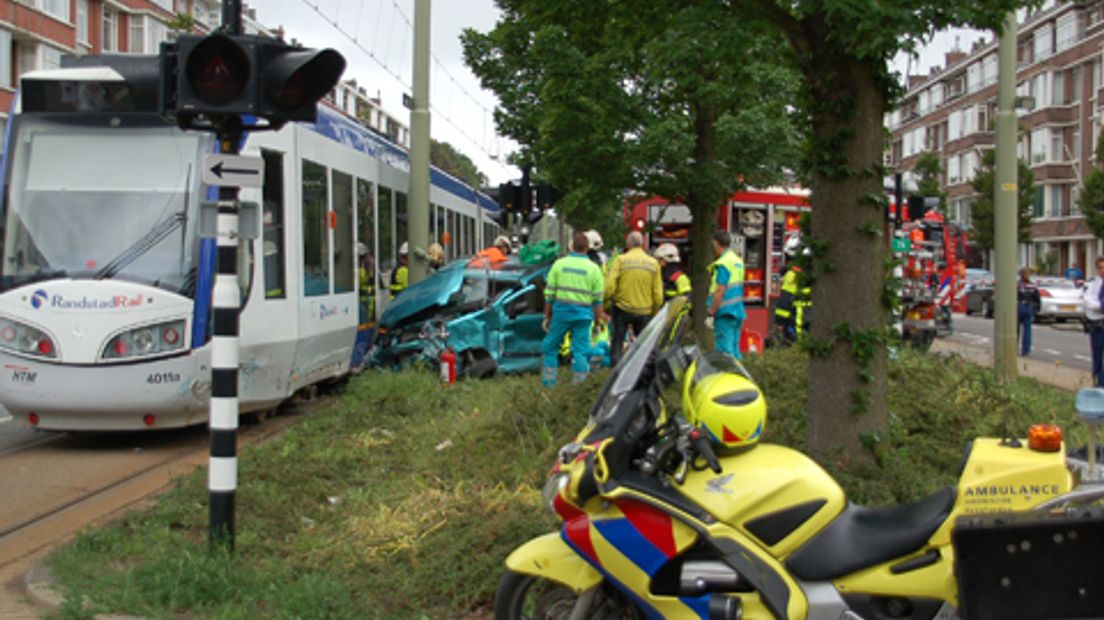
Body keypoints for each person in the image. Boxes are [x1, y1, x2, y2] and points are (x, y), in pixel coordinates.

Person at [542, 232, 606, 387]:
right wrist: (598, 322)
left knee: (550, 347)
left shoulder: (559, 264)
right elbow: (597, 300)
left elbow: (549, 294)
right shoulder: (594, 269)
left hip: (561, 314)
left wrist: (547, 316)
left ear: (571, 246)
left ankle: (549, 383)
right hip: (584, 316)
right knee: (581, 351)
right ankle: (579, 384)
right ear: (587, 248)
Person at [605, 231, 664, 365]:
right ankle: (642, 370)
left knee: (617, 342)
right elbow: (658, 295)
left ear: (628, 243)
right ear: (643, 244)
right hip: (645, 311)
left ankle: (616, 372)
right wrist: (654, 310)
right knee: (644, 346)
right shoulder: (653, 263)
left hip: (622, 309)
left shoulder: (620, 260)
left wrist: (607, 302)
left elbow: (609, 287)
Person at [707, 230, 746, 359]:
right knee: (735, 350)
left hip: (724, 312)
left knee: (724, 353)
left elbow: (719, 291)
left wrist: (711, 313)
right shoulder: (737, 261)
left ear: (716, 243)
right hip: (737, 311)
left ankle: (727, 377)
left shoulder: (723, 263)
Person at [773, 235, 810, 345]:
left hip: (796, 325)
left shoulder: (792, 275)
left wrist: (779, 322)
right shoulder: (812, 273)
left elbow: (784, 302)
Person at [1081, 257, 1104, 386]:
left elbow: (1101, 306)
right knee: (1097, 357)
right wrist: (1096, 305)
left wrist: (1096, 305)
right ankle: (1098, 384)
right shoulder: (1092, 284)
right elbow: (1085, 300)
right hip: (1096, 325)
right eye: (1100, 267)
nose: (1103, 270)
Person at [1017, 267, 1040, 356]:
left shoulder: (1017, 285)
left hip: (1019, 307)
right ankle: (1025, 350)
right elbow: (1037, 299)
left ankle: (1013, 348)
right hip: (1029, 307)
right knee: (1027, 331)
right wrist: (1035, 310)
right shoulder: (1033, 286)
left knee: (1015, 330)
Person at [357, 242, 376, 324]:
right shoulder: (360, 271)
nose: (366, 259)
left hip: (366, 301)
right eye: (364, 257)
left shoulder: (363, 270)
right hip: (360, 301)